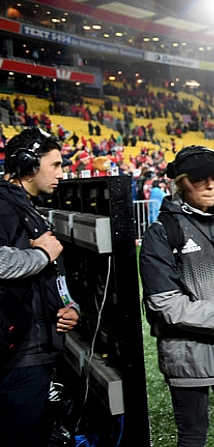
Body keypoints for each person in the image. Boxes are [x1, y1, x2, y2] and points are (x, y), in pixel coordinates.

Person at [139, 145, 214, 447]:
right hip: (188, 359)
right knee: (193, 438)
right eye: (199, 179)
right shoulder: (161, 232)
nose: (210, 185)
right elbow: (167, 305)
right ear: (180, 182)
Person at [0, 127, 80, 446]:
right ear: (28, 165)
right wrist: (42, 253)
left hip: (35, 352)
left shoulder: (24, 205)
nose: (62, 173)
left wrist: (70, 306)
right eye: (56, 164)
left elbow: (53, 277)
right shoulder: (3, 205)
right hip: (17, 359)